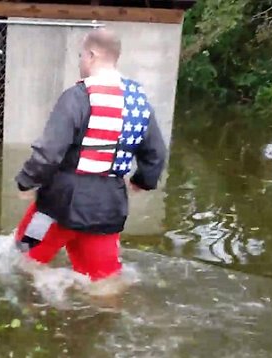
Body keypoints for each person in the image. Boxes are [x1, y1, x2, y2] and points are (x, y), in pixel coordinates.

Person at [14, 27, 167, 281]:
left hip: (56, 206)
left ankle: (33, 311)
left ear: (92, 55)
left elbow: (49, 152)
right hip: (108, 210)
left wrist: (26, 181)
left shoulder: (77, 97)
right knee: (104, 282)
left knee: (23, 257)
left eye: (81, 55)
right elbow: (156, 153)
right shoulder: (138, 101)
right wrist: (143, 181)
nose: (80, 62)